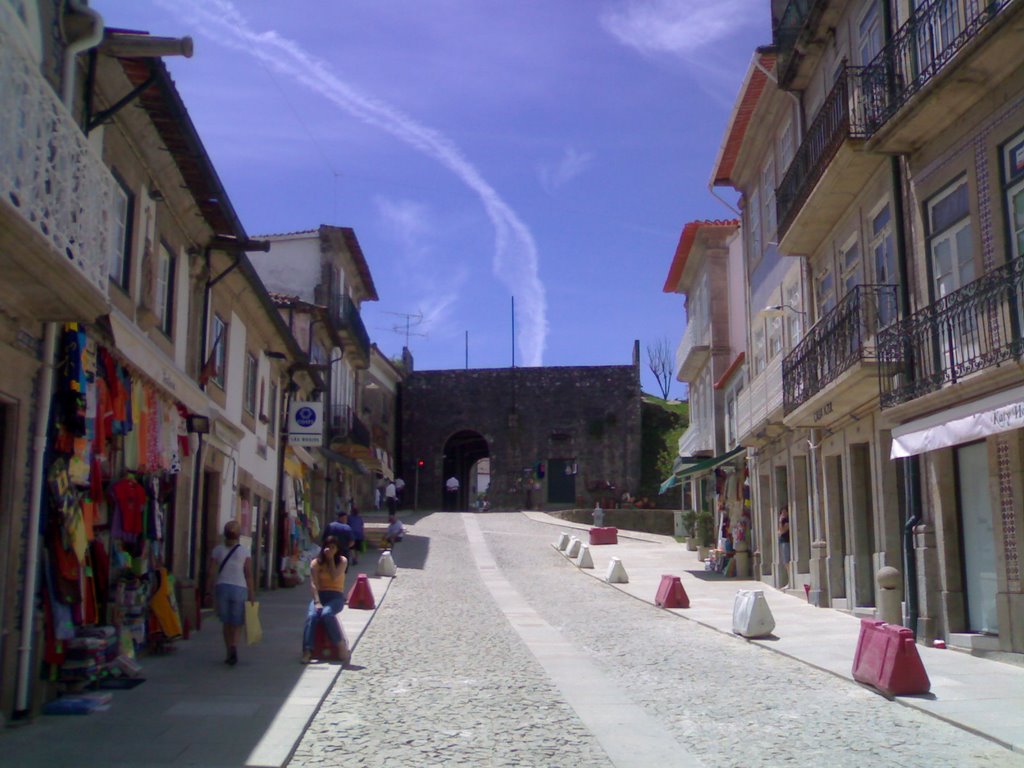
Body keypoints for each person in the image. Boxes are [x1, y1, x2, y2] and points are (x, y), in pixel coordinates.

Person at [207, 520, 255, 666]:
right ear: (238, 535)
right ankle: (234, 644)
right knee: (238, 621)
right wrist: (251, 593)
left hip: (222, 587)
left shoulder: (218, 550)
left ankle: (228, 650)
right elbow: (248, 574)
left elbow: (212, 572)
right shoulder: (244, 551)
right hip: (239, 588)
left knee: (226, 622)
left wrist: (209, 590)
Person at [301, 536, 349, 665]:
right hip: (320, 595)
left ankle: (340, 645)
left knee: (327, 614)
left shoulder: (342, 561)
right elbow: (314, 584)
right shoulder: (316, 563)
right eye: (328, 547)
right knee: (312, 616)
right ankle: (307, 651)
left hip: (336, 596)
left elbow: (334, 577)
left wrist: (331, 559)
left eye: (333, 547)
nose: (330, 550)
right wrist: (317, 601)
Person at [778, 507, 791, 572]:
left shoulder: (787, 521)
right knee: (785, 561)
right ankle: (789, 577)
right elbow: (779, 532)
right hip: (782, 542)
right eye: (782, 512)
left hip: (786, 541)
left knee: (786, 561)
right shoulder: (783, 522)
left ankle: (790, 578)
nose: (783, 514)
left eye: (785, 512)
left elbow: (782, 531)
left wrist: (780, 521)